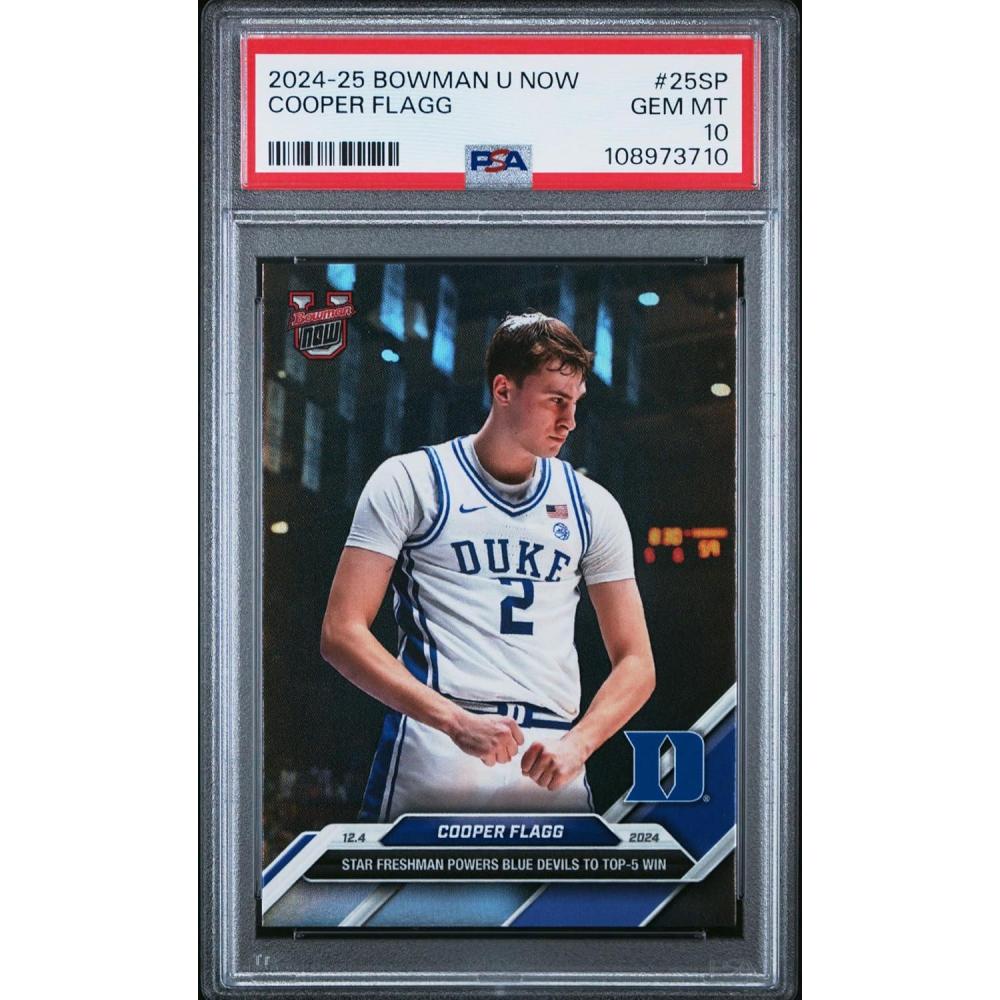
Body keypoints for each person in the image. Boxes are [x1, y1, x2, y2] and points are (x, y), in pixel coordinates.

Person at [320, 312, 655, 820]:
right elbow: (341, 633)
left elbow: (637, 662)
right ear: (503, 390)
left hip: (551, 753)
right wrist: (454, 721)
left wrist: (580, 743)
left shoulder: (593, 506)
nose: (569, 420)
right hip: (440, 739)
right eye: (555, 400)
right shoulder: (411, 480)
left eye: (575, 402)